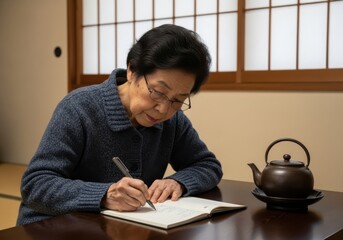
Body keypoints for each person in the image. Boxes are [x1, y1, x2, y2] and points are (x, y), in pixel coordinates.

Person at [17, 24, 223, 225]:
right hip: (52, 227)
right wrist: (104, 195)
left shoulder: (173, 121)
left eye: (177, 100)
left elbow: (208, 165)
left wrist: (179, 182)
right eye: (158, 92)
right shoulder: (79, 108)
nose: (163, 109)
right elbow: (36, 184)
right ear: (132, 70)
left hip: (115, 228)